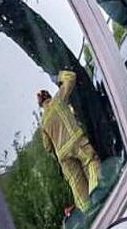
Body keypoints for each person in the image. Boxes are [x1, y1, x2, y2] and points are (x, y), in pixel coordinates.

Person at [39, 70, 101, 213]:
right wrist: (58, 76)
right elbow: (72, 77)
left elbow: (47, 147)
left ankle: (89, 215)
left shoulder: (43, 122)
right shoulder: (58, 100)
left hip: (63, 156)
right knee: (91, 163)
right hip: (76, 142)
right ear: (49, 96)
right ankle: (98, 195)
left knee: (77, 185)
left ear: (41, 105)